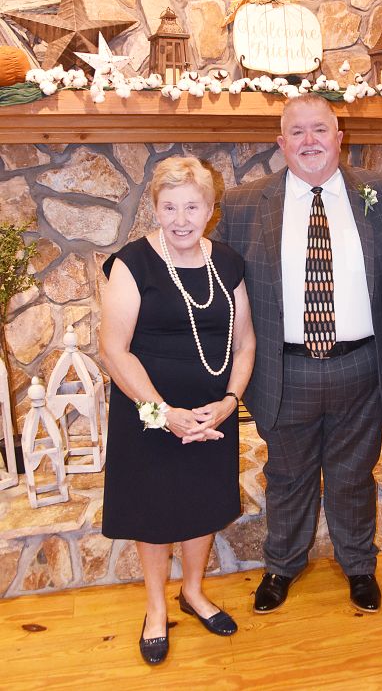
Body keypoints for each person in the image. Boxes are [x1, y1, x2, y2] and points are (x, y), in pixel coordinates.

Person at [214, 93, 382, 614]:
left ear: (340, 138)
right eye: (297, 132)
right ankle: (282, 565)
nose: (309, 141)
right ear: (281, 143)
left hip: (362, 366)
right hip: (284, 370)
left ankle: (359, 565)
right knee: (287, 475)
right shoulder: (244, 204)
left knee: (353, 475)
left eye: (320, 129)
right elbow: (217, 280)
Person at [100, 156, 255, 665]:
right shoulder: (132, 263)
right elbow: (114, 349)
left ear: (210, 210)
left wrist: (229, 402)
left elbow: (245, 341)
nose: (181, 219)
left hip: (211, 414)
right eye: (170, 207)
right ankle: (154, 607)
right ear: (155, 208)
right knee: (153, 510)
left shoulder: (227, 263)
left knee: (201, 501)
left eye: (192, 206)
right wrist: (162, 412)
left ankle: (192, 591)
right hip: (146, 412)